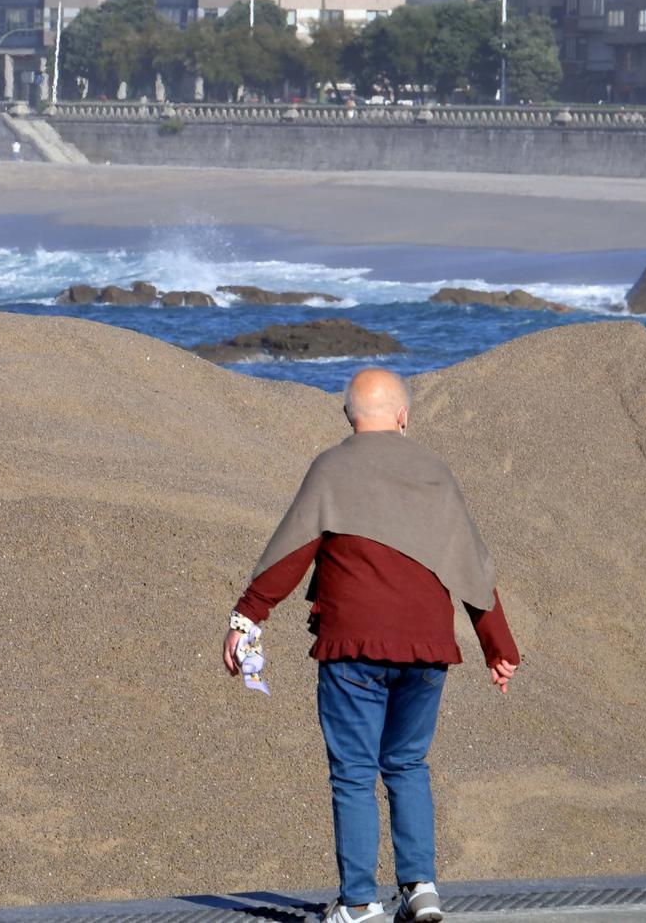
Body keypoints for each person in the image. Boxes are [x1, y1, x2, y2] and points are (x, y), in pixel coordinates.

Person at [223, 368, 518, 923]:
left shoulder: (332, 467)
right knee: (408, 763)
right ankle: (422, 888)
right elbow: (471, 563)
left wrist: (247, 618)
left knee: (355, 771)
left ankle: (359, 903)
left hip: (352, 647)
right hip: (428, 650)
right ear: (403, 415)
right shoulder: (434, 471)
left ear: (349, 418)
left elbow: (292, 551)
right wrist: (496, 645)